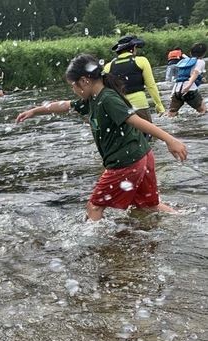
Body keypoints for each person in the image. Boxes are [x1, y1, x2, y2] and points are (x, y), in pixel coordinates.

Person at [15, 54, 187, 222]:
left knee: (94, 206)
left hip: (126, 162)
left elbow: (136, 120)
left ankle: (94, 247)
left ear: (84, 81)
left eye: (73, 86)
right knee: (149, 206)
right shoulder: (92, 99)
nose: (73, 90)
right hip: (141, 156)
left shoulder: (107, 98)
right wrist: (35, 111)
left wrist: (169, 139)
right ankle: (185, 221)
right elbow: (64, 105)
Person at [103, 35, 165, 123]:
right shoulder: (141, 61)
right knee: (147, 134)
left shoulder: (108, 67)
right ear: (134, 47)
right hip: (140, 104)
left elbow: (107, 91)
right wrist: (159, 104)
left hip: (120, 107)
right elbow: (151, 86)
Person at [168, 43, 206, 118]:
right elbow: (195, 73)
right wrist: (189, 85)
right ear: (204, 54)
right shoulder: (201, 61)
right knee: (203, 111)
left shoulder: (185, 61)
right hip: (189, 90)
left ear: (190, 53)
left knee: (171, 114)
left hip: (176, 90)